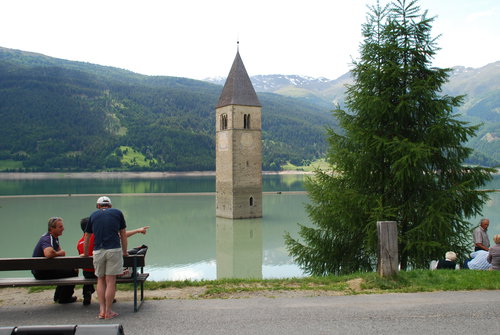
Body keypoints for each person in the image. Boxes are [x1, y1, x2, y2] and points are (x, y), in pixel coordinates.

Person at [77, 217, 149, 306]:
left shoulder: (79, 242)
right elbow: (122, 234)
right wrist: (138, 230)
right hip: (102, 272)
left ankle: (87, 292)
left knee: (93, 269)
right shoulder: (99, 238)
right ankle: (110, 297)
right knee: (109, 272)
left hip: (87, 274)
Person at [83, 196, 127, 320]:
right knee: (111, 281)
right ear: (110, 206)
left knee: (100, 280)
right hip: (113, 249)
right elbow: (123, 233)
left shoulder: (93, 215)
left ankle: (102, 310)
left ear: (98, 206)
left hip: (98, 251)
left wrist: (86, 254)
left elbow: (87, 235)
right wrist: (125, 252)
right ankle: (109, 311)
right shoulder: (117, 213)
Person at [32, 217, 78, 304]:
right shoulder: (47, 239)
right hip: (41, 272)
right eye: (60, 227)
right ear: (51, 229)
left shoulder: (54, 238)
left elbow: (56, 251)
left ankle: (58, 297)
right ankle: (64, 298)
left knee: (68, 270)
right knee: (74, 271)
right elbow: (48, 253)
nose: (63, 229)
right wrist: (61, 253)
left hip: (41, 270)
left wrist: (59, 253)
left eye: (62, 226)